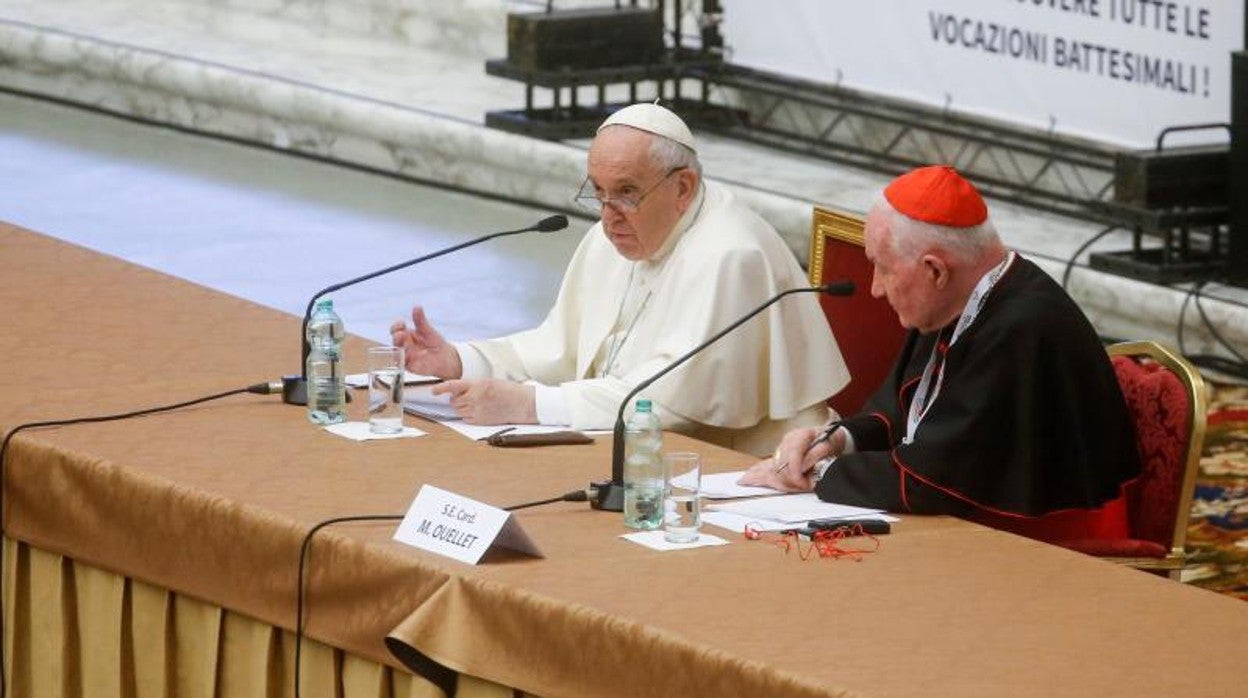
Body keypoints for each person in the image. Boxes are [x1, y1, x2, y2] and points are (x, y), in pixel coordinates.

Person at [390, 103, 849, 456]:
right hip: (629, 455)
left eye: (627, 193)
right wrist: (459, 361)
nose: (608, 217)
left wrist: (529, 405)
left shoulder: (731, 255)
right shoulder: (615, 235)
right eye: (599, 193)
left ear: (683, 188)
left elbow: (666, 404)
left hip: (735, 468)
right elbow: (558, 348)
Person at [740, 165, 1141, 543]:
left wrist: (817, 474)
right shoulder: (958, 299)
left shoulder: (1024, 328)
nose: (876, 289)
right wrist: (834, 442)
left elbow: (933, 480)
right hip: (970, 530)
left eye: (883, 268)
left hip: (1049, 550)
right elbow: (904, 415)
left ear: (935, 270)